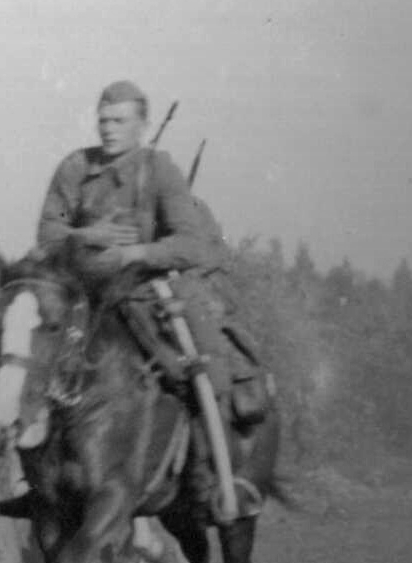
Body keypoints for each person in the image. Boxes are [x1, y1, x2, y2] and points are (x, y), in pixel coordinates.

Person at [35, 80, 264, 514]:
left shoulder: (159, 170)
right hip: (82, 301)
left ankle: (210, 478)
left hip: (146, 295)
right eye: (103, 120)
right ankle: (39, 483)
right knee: (29, 366)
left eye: (120, 121)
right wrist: (88, 234)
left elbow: (192, 244)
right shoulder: (74, 169)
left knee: (203, 369)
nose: (109, 129)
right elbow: (47, 235)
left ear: (142, 124)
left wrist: (133, 253)